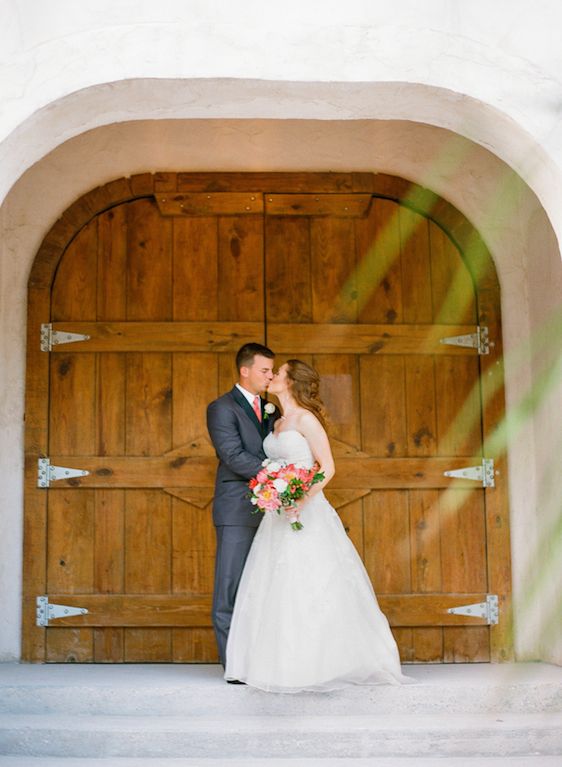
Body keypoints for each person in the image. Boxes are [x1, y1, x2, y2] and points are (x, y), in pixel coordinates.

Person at [224, 359, 412, 692]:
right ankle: (275, 664)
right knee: (272, 584)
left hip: (306, 511)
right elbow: (274, 464)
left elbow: (327, 467)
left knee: (312, 581)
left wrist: (301, 497)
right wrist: (272, 489)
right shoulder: (277, 422)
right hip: (277, 514)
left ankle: (322, 663)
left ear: (291, 381)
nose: (272, 376)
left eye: (278, 372)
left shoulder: (306, 420)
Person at [206, 342, 277, 673]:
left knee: (263, 587)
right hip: (237, 508)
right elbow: (232, 455)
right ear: (244, 370)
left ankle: (261, 659)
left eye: (272, 370)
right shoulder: (222, 408)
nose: (270, 376)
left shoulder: (270, 408)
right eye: (265, 370)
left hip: (272, 509)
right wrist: (277, 474)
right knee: (230, 587)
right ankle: (233, 665)